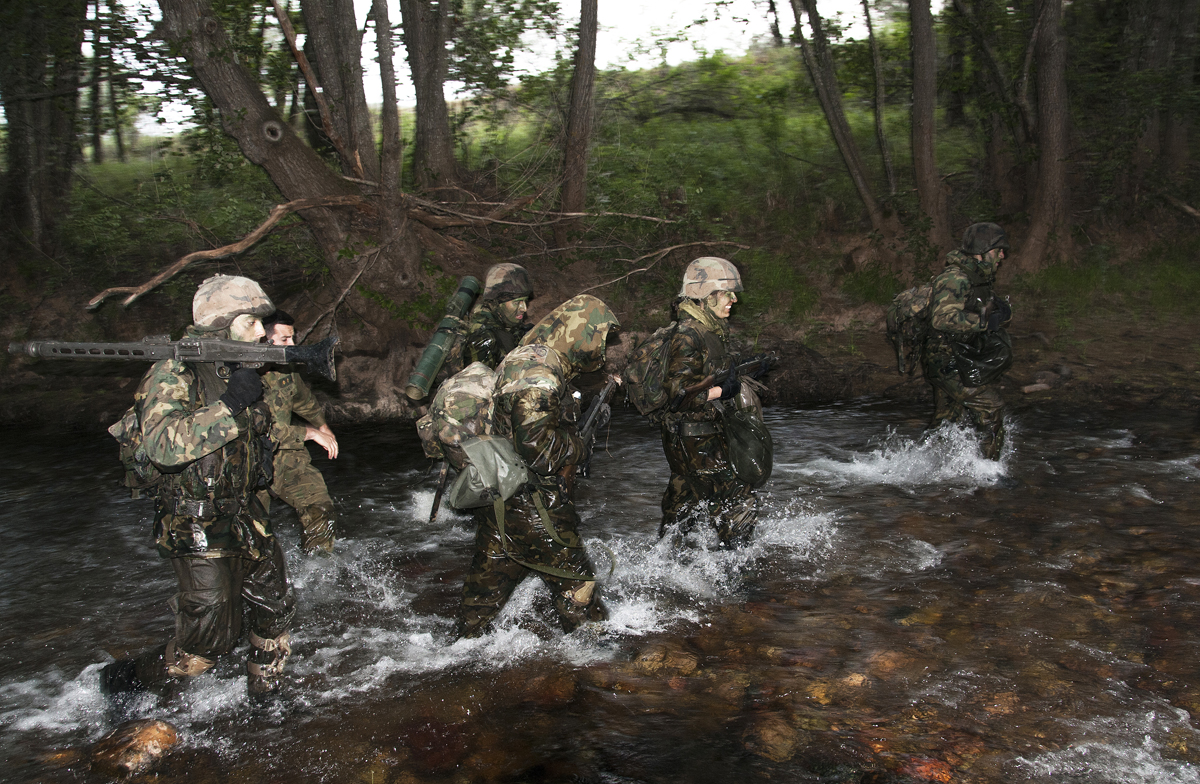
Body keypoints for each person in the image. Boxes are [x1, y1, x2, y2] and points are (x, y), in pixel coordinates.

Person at [100, 274, 295, 701]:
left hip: (245, 514)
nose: (262, 332)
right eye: (251, 323)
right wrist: (230, 405)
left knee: (275, 611)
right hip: (196, 522)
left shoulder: (237, 370)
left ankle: (268, 703)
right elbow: (164, 447)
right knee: (207, 642)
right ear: (219, 325)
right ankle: (124, 682)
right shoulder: (173, 372)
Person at [456, 294, 619, 638]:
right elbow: (539, 449)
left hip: (503, 501)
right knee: (582, 602)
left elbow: (533, 425)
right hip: (537, 508)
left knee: (478, 613)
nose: (603, 348)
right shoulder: (540, 372)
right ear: (581, 332)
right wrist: (579, 447)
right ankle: (604, 671)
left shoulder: (533, 360)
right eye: (601, 337)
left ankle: (455, 667)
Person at [657, 257, 760, 548]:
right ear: (706, 295)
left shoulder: (706, 327)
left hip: (686, 437)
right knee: (738, 500)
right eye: (727, 293)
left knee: (684, 500)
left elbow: (707, 370)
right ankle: (740, 576)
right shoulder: (688, 334)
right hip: (695, 437)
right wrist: (722, 391)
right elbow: (678, 395)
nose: (734, 299)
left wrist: (741, 371)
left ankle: (666, 562)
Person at [921, 222, 1013, 460]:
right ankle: (990, 474)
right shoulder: (955, 278)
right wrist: (984, 322)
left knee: (947, 420)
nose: (1003, 255)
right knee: (991, 408)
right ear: (983, 251)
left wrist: (1001, 312)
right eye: (999, 249)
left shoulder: (977, 277)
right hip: (945, 360)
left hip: (958, 356)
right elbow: (942, 319)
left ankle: (919, 467)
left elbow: (978, 309)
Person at [259, 311, 339, 554]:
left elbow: (302, 400)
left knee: (319, 507)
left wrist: (323, 427)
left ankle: (319, 570)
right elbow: (256, 431)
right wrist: (311, 433)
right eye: (285, 340)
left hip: (286, 456)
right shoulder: (243, 377)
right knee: (254, 536)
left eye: (292, 338)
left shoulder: (285, 369)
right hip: (251, 463)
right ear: (264, 339)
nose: (293, 346)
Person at [460, 263, 535, 369]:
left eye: (525, 301)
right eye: (516, 302)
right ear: (497, 302)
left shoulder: (504, 320)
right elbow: (480, 383)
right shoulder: (483, 339)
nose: (524, 308)